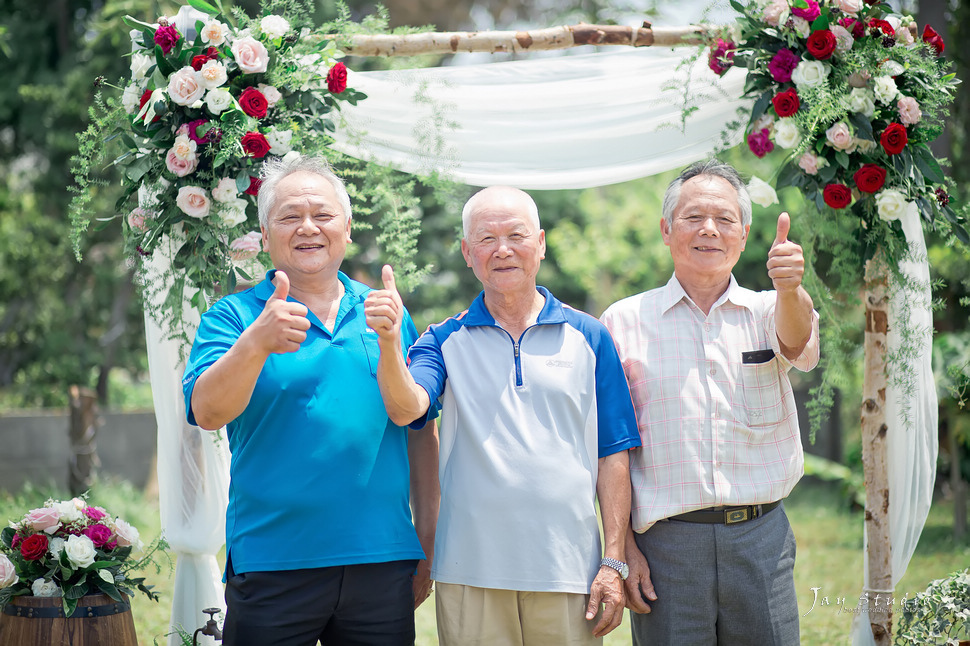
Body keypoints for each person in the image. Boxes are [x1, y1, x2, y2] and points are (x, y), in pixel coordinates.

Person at [364, 185, 642, 645]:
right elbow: (408, 408)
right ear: (467, 252)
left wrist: (613, 560)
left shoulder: (590, 337)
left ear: (541, 243)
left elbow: (613, 453)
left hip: (568, 569)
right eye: (487, 239)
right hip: (469, 569)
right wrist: (391, 343)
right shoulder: (441, 340)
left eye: (516, 235)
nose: (503, 250)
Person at [181, 154, 438, 646]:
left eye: (322, 215)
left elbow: (419, 431)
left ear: (346, 227)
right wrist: (255, 343)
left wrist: (426, 540)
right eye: (289, 217)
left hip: (380, 561)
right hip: (273, 561)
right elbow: (207, 412)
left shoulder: (385, 313)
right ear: (263, 233)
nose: (308, 228)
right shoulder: (233, 317)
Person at [600, 159, 820, 645]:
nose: (709, 230)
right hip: (667, 547)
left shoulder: (769, 308)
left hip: (761, 536)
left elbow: (797, 343)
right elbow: (610, 446)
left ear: (744, 234)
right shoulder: (622, 321)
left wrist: (790, 288)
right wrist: (624, 548)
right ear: (665, 229)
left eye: (724, 219)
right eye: (693, 217)